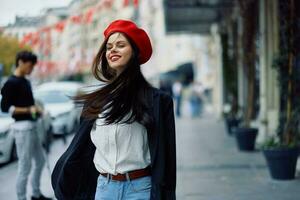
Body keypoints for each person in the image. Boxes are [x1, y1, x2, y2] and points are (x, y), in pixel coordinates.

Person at [51, 19, 176, 200]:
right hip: (104, 188)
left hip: (141, 189)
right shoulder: (95, 102)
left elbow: (167, 159)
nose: (112, 50)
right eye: (109, 47)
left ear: (134, 51)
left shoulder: (157, 101)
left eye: (120, 45)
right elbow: (82, 150)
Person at [0, 51, 52, 200]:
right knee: (25, 166)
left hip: (33, 125)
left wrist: (37, 108)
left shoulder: (26, 81)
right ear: (21, 62)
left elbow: (29, 102)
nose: (31, 69)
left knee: (40, 160)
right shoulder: (10, 83)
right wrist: (29, 109)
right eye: (30, 66)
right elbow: (5, 107)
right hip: (21, 128)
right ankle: (21, 197)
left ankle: (35, 194)